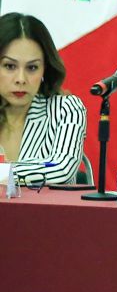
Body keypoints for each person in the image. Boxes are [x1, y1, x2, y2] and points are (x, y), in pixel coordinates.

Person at [0, 12, 87, 186]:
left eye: (32, 67)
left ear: (45, 69)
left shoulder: (66, 109)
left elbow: (61, 168)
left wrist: (5, 174)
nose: (21, 79)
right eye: (9, 66)